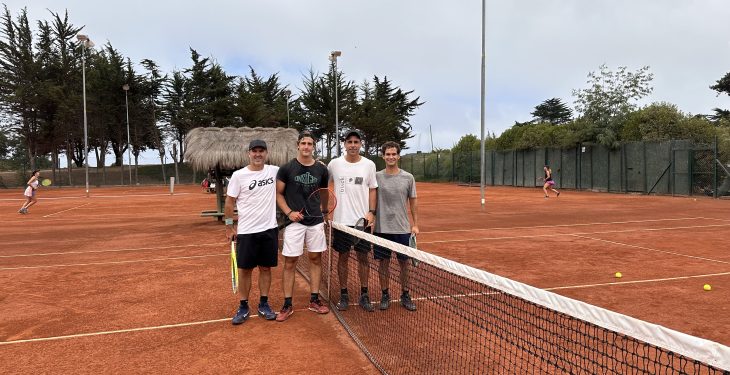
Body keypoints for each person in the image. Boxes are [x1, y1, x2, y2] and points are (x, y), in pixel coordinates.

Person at [274, 131, 331, 322]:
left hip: (315, 221)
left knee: (316, 259)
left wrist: (324, 212)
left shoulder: (321, 170)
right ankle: (287, 304)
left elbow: (324, 192)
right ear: (298, 145)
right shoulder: (286, 168)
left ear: (313, 147)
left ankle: (314, 299)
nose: (306, 147)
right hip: (294, 223)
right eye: (303, 143)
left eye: (310, 144)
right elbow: (278, 194)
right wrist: (289, 212)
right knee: (290, 262)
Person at [224, 139, 279, 325]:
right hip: (247, 232)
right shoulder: (238, 176)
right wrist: (229, 226)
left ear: (266, 153)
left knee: (265, 268)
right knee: (245, 270)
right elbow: (230, 203)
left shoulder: (275, 171)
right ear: (249, 153)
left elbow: (296, 171)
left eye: (261, 151)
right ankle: (243, 305)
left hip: (269, 229)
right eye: (254, 151)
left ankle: (264, 303)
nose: (258, 154)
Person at [328, 130, 378, 312]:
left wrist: (371, 212)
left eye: (356, 142)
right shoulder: (334, 164)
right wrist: (327, 212)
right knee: (342, 258)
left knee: (363, 258)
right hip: (341, 222)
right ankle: (344, 294)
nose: (353, 145)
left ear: (361, 144)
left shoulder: (369, 165)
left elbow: (373, 189)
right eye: (349, 142)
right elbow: (323, 183)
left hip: (361, 222)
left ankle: (364, 294)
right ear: (344, 144)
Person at [373, 141, 418, 311]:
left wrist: (415, 225)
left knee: (404, 264)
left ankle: (405, 294)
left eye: (394, 154)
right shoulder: (376, 176)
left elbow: (413, 202)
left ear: (399, 156)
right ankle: (385, 294)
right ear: (383, 156)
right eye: (388, 154)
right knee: (383, 264)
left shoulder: (408, 178)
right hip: (381, 229)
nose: (391, 157)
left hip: (402, 229)